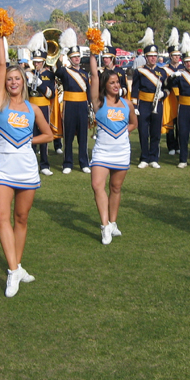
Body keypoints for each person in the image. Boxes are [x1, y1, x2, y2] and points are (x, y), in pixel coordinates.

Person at [0, 39, 53, 297]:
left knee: (21, 219)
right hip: (3, 168)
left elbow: (49, 135)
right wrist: (1, 37)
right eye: (9, 79)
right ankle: (13, 271)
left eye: (17, 79)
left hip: (27, 168)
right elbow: (2, 64)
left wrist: (30, 139)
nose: (13, 82)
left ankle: (17, 264)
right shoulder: (0, 102)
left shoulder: (33, 108)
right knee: (1, 216)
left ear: (23, 82)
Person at [88, 51, 137, 244]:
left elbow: (134, 124)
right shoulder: (99, 103)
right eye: (112, 83)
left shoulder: (128, 104)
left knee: (115, 188)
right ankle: (105, 226)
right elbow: (93, 76)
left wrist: (126, 130)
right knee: (97, 185)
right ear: (104, 86)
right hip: (102, 151)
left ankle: (113, 222)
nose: (116, 86)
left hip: (122, 151)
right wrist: (93, 53)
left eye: (118, 82)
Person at [131, 44, 169, 169]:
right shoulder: (140, 71)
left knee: (155, 132)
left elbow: (167, 89)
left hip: (157, 103)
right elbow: (135, 89)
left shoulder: (162, 72)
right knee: (143, 131)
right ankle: (144, 158)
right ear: (146, 57)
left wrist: (164, 94)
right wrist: (135, 107)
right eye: (150, 56)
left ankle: (154, 158)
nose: (153, 58)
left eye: (154, 56)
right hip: (143, 104)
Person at [55, 46, 91, 173]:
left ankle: (84, 163)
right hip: (69, 105)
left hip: (82, 106)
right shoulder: (65, 71)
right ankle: (67, 163)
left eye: (78, 56)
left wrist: (90, 105)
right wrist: (60, 55)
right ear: (70, 59)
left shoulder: (85, 74)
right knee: (68, 136)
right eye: (74, 57)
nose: (77, 58)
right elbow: (57, 70)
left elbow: (89, 92)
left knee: (83, 136)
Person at [27, 48, 56, 177]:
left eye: (39, 62)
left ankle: (44, 164)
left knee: (44, 136)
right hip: (31, 107)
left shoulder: (49, 75)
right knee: (31, 135)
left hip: (44, 107)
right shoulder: (29, 74)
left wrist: (40, 85)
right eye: (35, 62)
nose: (36, 64)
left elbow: (51, 94)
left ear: (44, 62)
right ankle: (31, 164)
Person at [161, 42, 182, 156]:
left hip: (181, 96)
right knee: (170, 122)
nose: (176, 57)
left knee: (180, 122)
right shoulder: (165, 69)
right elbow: (163, 84)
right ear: (170, 56)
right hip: (170, 96)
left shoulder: (183, 68)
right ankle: (171, 146)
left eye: (178, 55)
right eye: (174, 55)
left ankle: (178, 145)